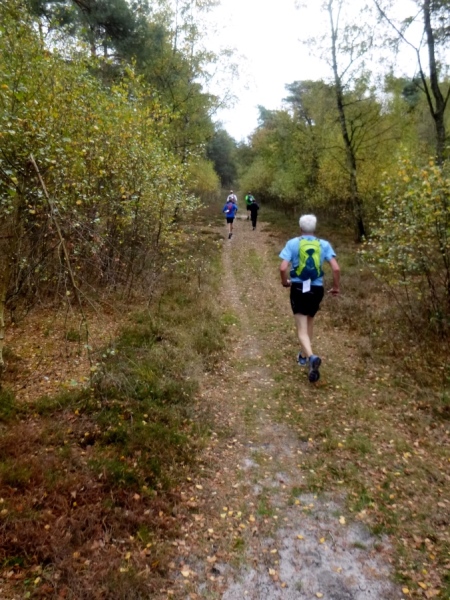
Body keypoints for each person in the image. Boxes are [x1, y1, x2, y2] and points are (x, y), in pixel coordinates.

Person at [279, 214, 340, 382]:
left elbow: (283, 267)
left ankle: (311, 357)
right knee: (310, 320)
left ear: (300, 228)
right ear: (314, 228)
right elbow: (336, 268)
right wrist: (336, 287)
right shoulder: (324, 244)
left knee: (301, 328)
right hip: (317, 289)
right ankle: (304, 356)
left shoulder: (293, 243)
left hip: (299, 287)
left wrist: (285, 282)